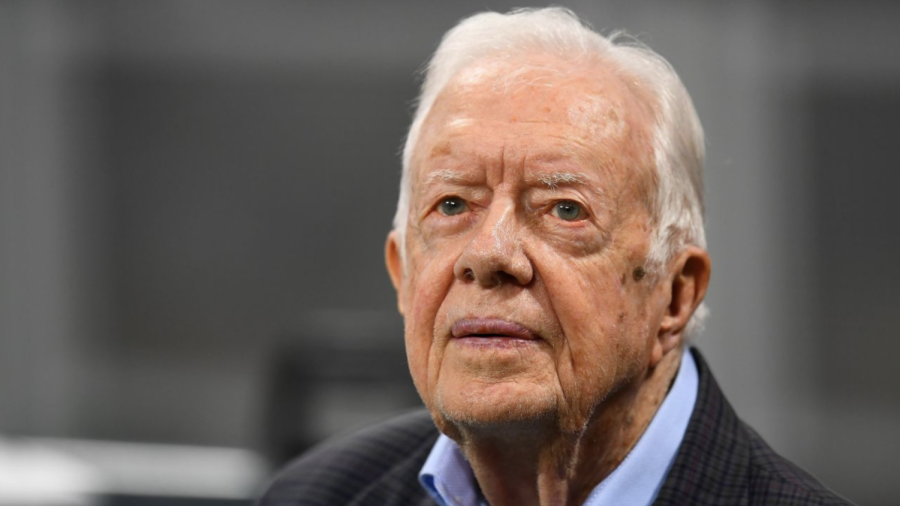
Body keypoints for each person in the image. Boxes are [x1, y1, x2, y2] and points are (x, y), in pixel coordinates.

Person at [259, 7, 852, 506]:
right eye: (451, 204)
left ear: (675, 293)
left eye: (565, 209)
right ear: (403, 274)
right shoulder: (315, 494)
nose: (488, 255)